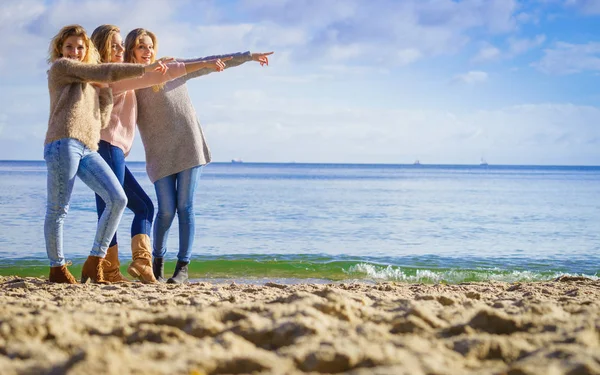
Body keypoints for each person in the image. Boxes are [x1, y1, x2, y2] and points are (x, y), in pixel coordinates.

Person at [124, 28, 273, 283]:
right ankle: (156, 263)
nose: (147, 51)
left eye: (149, 46)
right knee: (166, 211)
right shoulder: (131, 80)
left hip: (189, 146)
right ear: (131, 51)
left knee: (185, 207)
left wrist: (247, 56)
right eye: (141, 47)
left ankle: (182, 267)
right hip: (159, 153)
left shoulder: (170, 68)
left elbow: (210, 62)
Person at [89, 25, 230, 283]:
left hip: (110, 149)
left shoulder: (114, 74)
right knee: (128, 208)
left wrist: (157, 65)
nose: (120, 50)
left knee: (126, 207)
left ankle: (118, 268)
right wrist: (158, 67)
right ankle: (119, 268)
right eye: (116, 46)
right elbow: (150, 77)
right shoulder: (114, 76)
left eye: (121, 45)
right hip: (108, 147)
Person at [44, 24, 168, 284]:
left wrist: (103, 92)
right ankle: (58, 268)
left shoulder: (91, 82)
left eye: (80, 47)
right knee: (59, 209)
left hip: (89, 147)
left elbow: (100, 119)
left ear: (87, 49)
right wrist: (146, 68)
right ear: (60, 49)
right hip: (63, 142)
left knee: (117, 199)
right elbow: (104, 70)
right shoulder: (61, 67)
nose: (75, 52)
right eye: (69, 47)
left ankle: (95, 262)